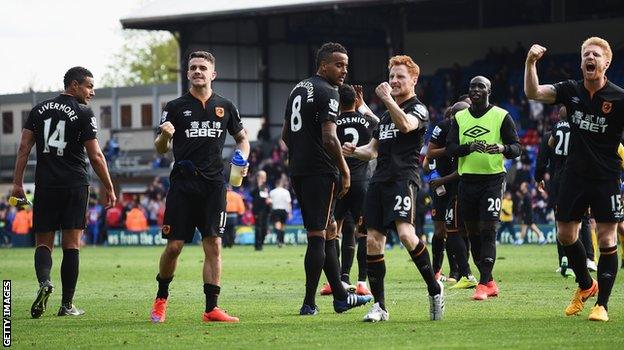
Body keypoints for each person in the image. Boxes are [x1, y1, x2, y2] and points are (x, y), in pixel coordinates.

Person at [525, 37, 624, 321]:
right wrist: (531, 62)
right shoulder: (569, 90)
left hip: (606, 177)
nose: (589, 58)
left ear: (606, 62)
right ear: (581, 62)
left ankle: (602, 305)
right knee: (565, 235)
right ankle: (585, 285)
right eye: (585, 55)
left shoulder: (619, 97)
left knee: (606, 238)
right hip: (573, 176)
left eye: (595, 55)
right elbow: (533, 92)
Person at [150, 51, 250, 323]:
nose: (197, 71)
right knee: (174, 248)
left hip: (214, 186)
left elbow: (242, 138)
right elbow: (160, 150)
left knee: (214, 245)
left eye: (202, 68)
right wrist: (165, 136)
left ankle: (211, 309)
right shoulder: (173, 106)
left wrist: (243, 157)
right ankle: (160, 299)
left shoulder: (226, 106)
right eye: (193, 67)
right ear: (188, 73)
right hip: (183, 185)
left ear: (212, 74)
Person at [343, 55, 444, 322]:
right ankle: (380, 306)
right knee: (373, 241)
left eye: (400, 76)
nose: (394, 81)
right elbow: (372, 151)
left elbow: (407, 125)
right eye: (391, 77)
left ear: (413, 80)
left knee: (406, 234)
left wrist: (387, 98)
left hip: (403, 178)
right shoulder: (386, 117)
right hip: (378, 182)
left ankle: (434, 288)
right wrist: (352, 151)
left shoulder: (418, 109)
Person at [11, 66, 116, 318]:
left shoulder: (38, 110)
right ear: (74, 85)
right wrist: (109, 186)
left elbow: (24, 147)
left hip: (45, 185)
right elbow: (96, 155)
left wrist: (17, 183)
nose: (92, 92)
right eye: (89, 86)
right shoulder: (82, 112)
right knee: (71, 245)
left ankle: (44, 282)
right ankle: (66, 304)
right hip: (75, 185)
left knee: (43, 243)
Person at [282, 42, 372, 316]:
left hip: (298, 169)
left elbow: (286, 135)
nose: (344, 70)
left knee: (328, 229)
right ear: (324, 65)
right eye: (339, 64)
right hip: (321, 171)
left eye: (346, 64)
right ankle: (309, 303)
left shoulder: (297, 88)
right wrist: (344, 169)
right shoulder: (329, 92)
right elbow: (330, 137)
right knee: (318, 236)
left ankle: (341, 297)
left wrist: (301, 154)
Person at [446, 75, 521, 301]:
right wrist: (467, 147)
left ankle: (482, 283)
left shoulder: (501, 116)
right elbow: (450, 148)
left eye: (481, 86)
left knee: (489, 230)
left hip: (493, 180)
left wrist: (502, 147)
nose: (475, 89)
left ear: (489, 91)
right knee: (472, 233)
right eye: (472, 86)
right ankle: (488, 281)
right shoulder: (459, 117)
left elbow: (517, 148)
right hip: (467, 181)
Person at [332, 84, 377, 295]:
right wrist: (363, 106)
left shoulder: (333, 122)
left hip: (340, 181)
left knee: (334, 231)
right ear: (355, 101)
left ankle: (335, 281)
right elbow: (380, 123)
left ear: (338, 101)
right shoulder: (367, 121)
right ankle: (362, 283)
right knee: (364, 234)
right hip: (363, 182)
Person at [427, 100, 477, 289]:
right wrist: (435, 175)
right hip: (443, 187)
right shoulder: (443, 127)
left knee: (458, 229)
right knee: (443, 230)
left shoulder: (471, 129)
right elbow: (429, 156)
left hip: (458, 184)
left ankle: (460, 272)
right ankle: (438, 270)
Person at [251, 170, 271, 250]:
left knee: (265, 228)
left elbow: (266, 196)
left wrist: (269, 201)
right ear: (258, 177)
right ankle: (258, 245)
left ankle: (261, 242)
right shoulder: (254, 186)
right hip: (258, 210)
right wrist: (258, 185)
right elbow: (252, 194)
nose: (264, 178)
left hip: (265, 210)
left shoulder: (266, 186)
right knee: (258, 228)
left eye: (265, 176)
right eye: (262, 176)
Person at [269, 177, 292, 248]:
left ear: (276, 184)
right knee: (283, 226)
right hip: (284, 210)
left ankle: (279, 241)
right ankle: (282, 241)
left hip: (275, 210)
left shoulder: (272, 192)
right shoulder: (286, 192)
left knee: (277, 225)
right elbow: (288, 203)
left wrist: (270, 211)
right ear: (281, 184)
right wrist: (289, 212)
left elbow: (270, 203)